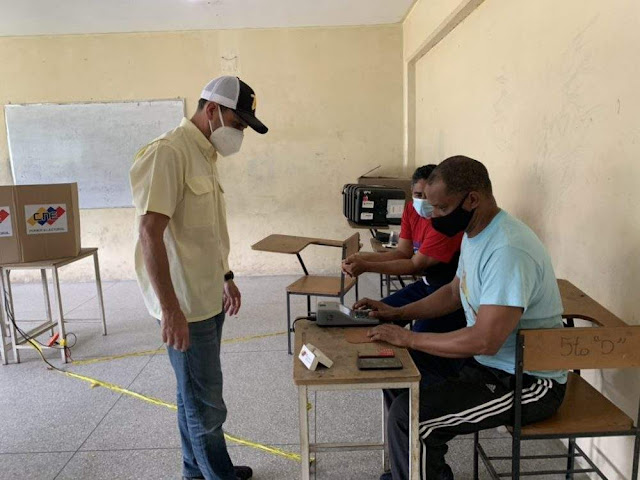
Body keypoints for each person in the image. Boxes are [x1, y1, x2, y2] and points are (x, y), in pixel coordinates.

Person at [358, 156, 567, 480]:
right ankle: (411, 473)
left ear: (472, 199)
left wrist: (410, 336)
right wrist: (397, 313)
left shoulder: (508, 250)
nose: (436, 217)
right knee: (395, 368)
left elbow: (485, 340)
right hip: (487, 365)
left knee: (413, 418)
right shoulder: (475, 232)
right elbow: (455, 292)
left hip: (527, 381)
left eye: (441, 209)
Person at [129, 76, 267, 480]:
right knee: (205, 403)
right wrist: (171, 310)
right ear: (212, 110)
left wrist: (226, 275)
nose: (239, 133)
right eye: (237, 123)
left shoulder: (204, 154)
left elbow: (205, 229)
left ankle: (196, 470)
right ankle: (216, 474)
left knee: (192, 394)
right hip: (185, 305)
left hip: (207, 295)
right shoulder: (168, 153)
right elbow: (149, 233)